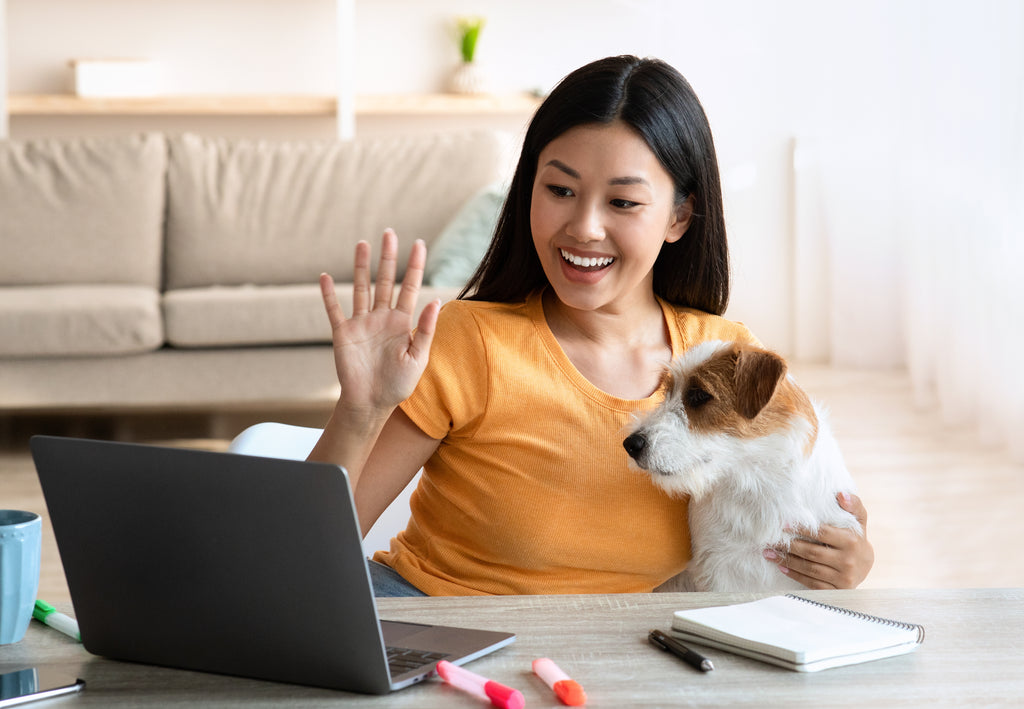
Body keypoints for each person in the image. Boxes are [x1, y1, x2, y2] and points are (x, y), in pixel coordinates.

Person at [309, 55, 874, 596]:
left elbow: (796, 506)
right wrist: (359, 409)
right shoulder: (472, 342)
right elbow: (305, 547)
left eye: (623, 202)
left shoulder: (721, 355)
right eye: (559, 190)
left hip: (617, 655)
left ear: (679, 216)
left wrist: (849, 558)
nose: (584, 227)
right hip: (432, 625)